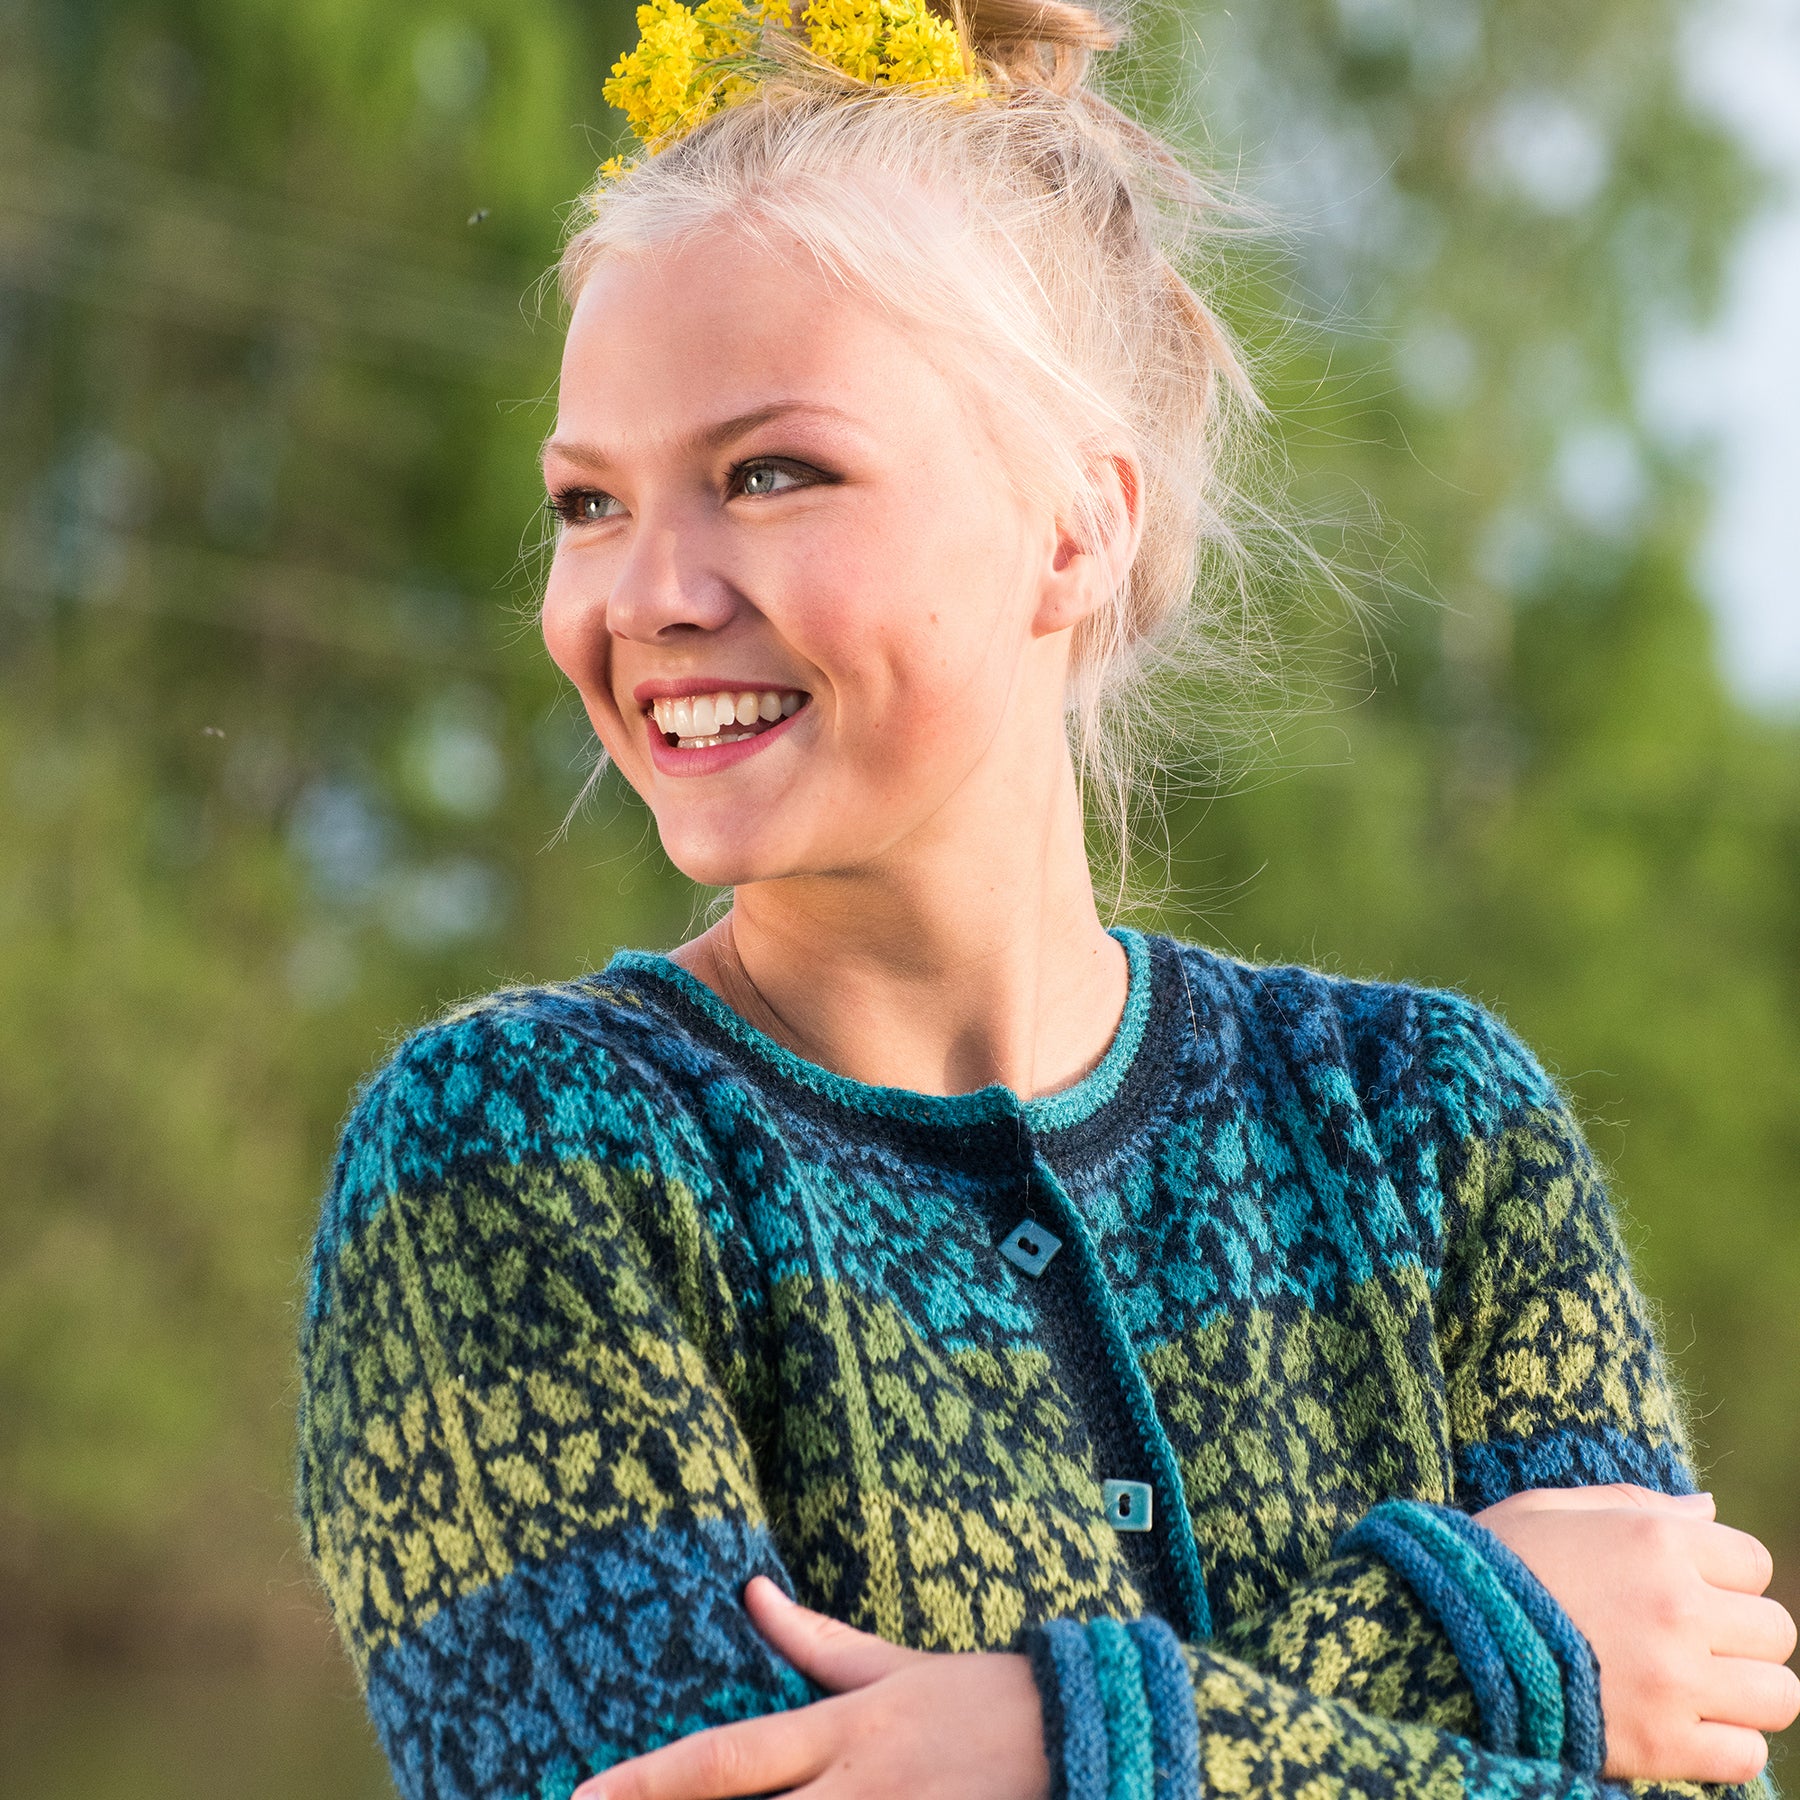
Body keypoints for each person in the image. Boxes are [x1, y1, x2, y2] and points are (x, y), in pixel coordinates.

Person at [294, 1, 1800, 1797]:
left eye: (769, 475)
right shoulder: (509, 1157)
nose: (648, 595)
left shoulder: (1434, 1129)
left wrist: (1028, 1746)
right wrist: (1467, 1639)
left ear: (1076, 527)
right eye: (589, 503)